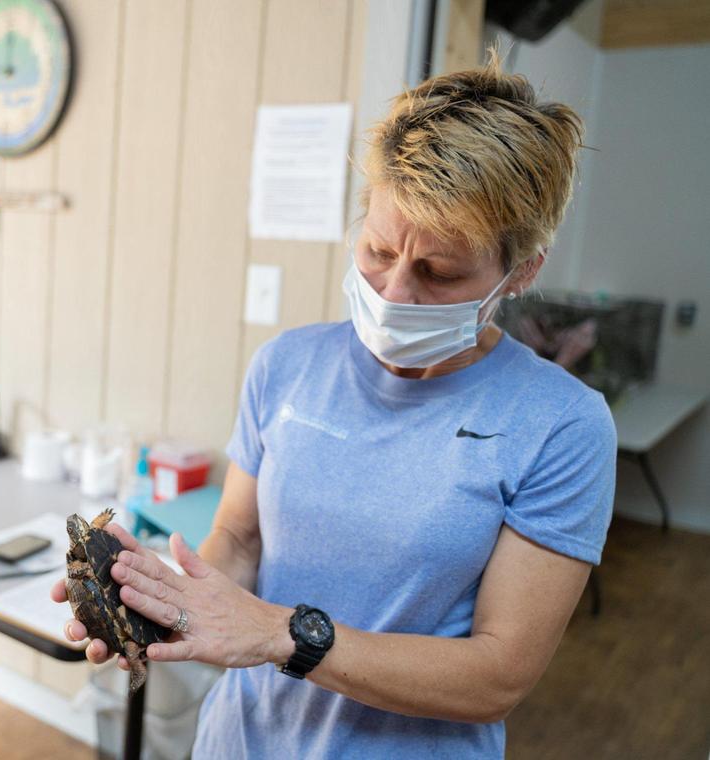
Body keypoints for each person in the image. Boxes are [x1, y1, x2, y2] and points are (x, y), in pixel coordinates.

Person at [51, 52, 616, 758]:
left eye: (440, 273)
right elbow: (241, 541)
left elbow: (497, 677)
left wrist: (281, 634)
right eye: (379, 249)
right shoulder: (288, 365)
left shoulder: (561, 425)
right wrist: (163, 602)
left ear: (520, 271)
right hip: (240, 742)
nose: (395, 293)